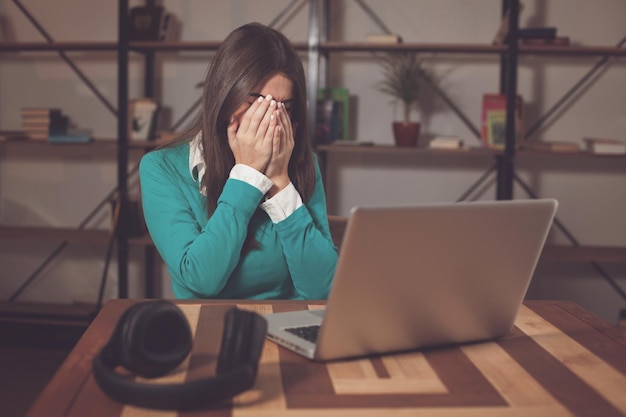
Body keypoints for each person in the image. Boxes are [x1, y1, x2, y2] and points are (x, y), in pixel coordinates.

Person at [139, 22, 338, 300]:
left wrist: (280, 183)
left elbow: (323, 289)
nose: (271, 121)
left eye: (284, 109)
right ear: (225, 96)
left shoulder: (304, 164)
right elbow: (201, 280)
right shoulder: (162, 168)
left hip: (286, 325)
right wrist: (247, 175)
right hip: (207, 327)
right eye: (257, 104)